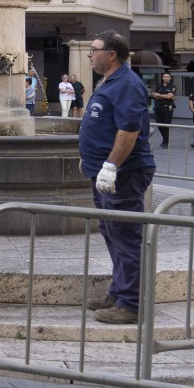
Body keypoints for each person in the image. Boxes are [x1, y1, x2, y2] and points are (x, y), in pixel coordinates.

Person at [78, 30, 156, 325]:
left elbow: (129, 131)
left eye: (94, 49)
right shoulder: (110, 81)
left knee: (125, 237)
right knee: (112, 232)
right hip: (105, 172)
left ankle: (131, 304)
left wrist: (111, 165)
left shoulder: (126, 83)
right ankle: (119, 292)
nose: (90, 54)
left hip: (123, 173)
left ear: (111, 54)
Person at [151, 72, 176, 148]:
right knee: (159, 125)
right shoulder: (159, 86)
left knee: (166, 125)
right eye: (164, 76)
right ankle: (165, 139)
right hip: (158, 108)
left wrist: (159, 95)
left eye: (167, 77)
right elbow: (155, 96)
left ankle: (166, 142)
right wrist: (166, 96)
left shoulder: (172, 86)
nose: (166, 78)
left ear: (170, 78)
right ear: (162, 78)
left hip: (167, 109)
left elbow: (170, 96)